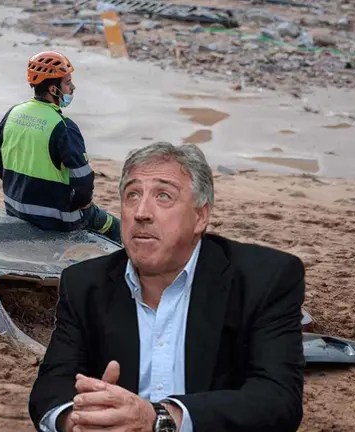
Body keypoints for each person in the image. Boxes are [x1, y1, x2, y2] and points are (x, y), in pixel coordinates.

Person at [28, 142, 305, 432]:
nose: (141, 212)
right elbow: (51, 386)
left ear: (200, 216)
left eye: (163, 196)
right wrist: (79, 420)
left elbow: (277, 400)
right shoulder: (84, 283)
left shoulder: (264, 278)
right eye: (132, 195)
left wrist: (160, 419)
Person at [0, 50, 121, 243]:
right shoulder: (63, 127)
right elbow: (83, 180)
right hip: (58, 219)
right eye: (67, 83)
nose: (72, 87)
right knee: (115, 228)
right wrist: (80, 203)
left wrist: (16, 183)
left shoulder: (14, 113)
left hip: (15, 207)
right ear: (53, 90)